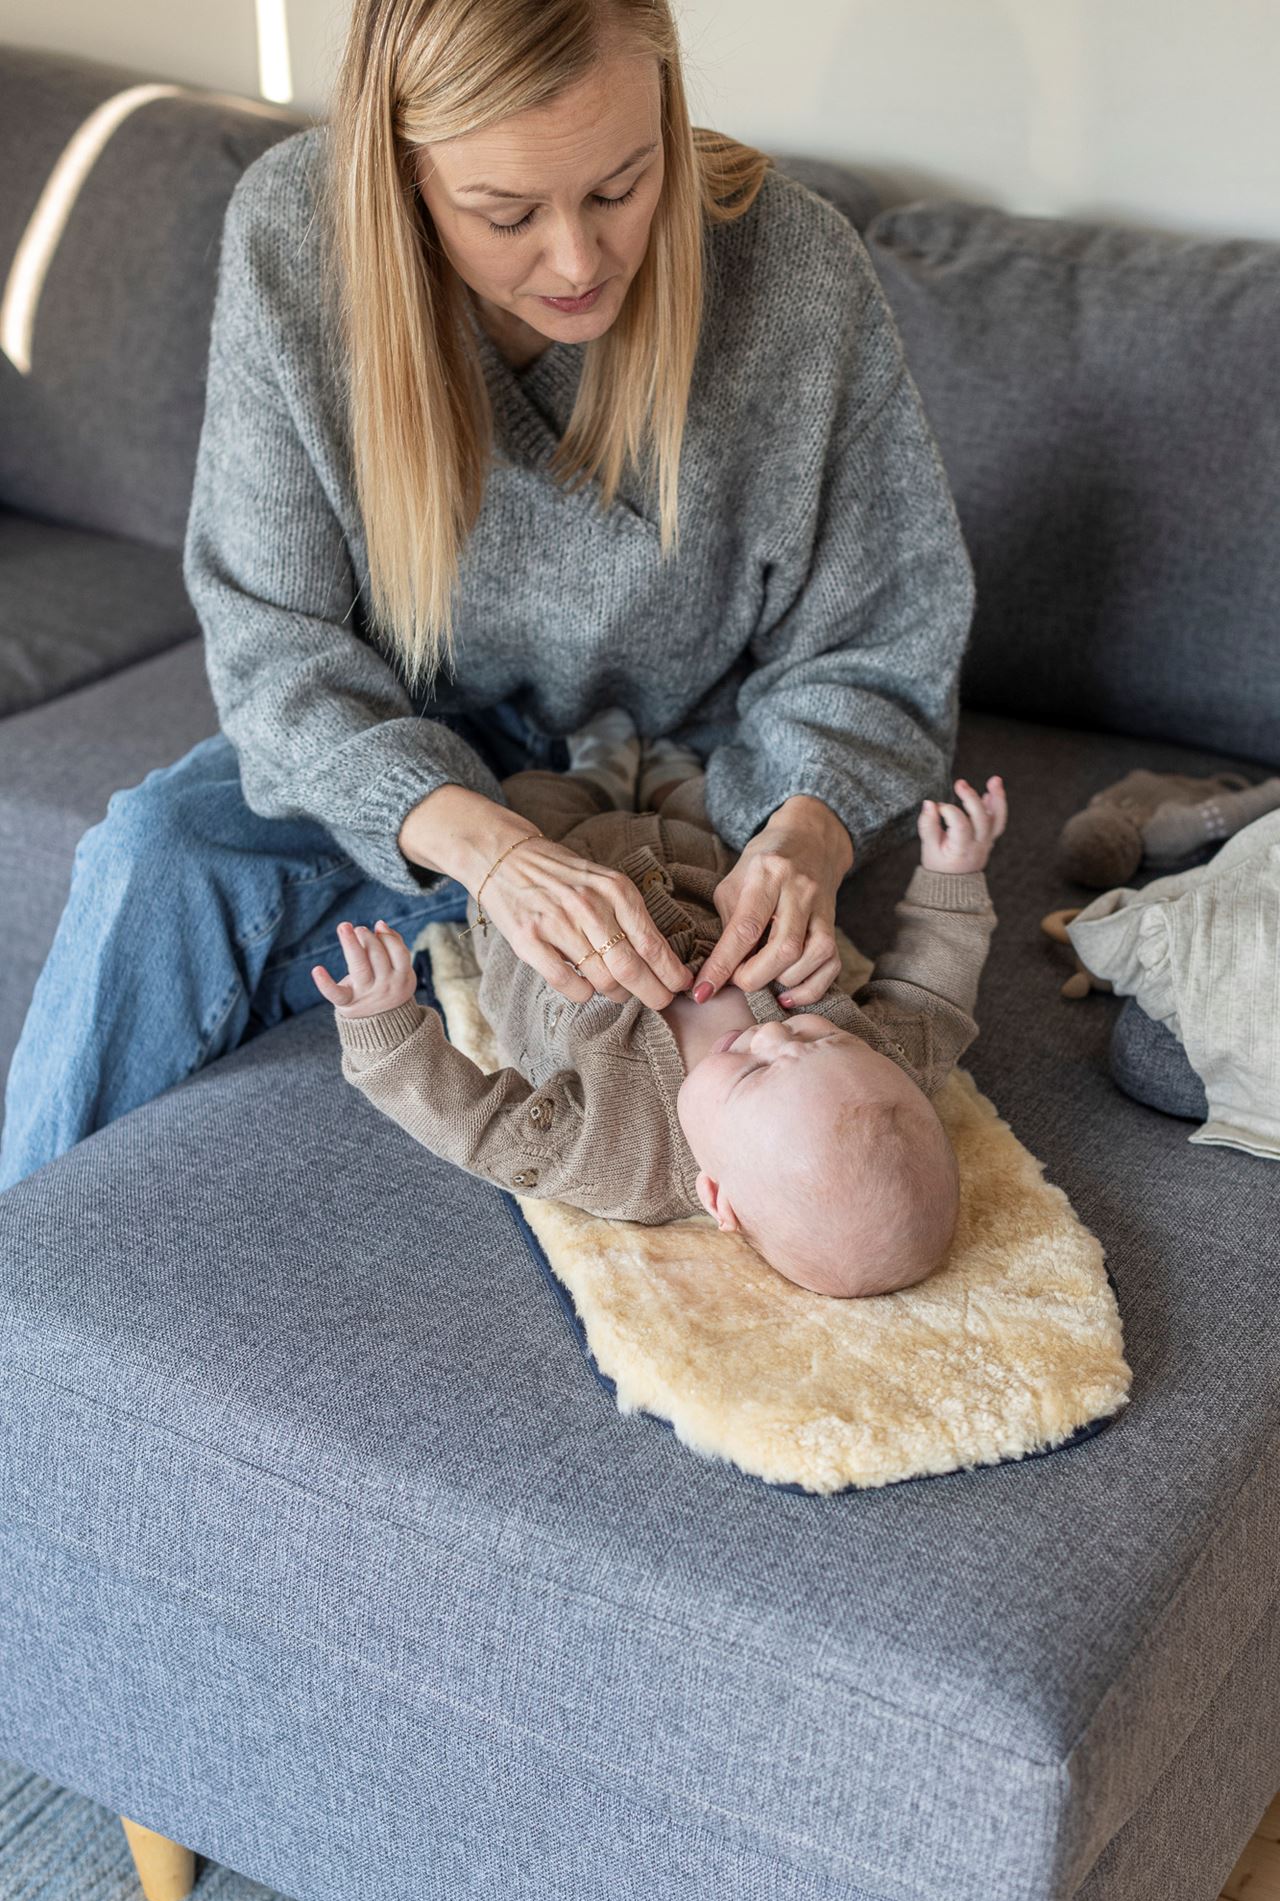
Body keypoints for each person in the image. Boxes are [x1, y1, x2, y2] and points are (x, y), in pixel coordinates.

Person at [0, 0, 975, 1193]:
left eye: (620, 187)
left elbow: (880, 642)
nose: (577, 261)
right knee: (155, 855)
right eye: (506, 214)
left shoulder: (794, 271)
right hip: (423, 766)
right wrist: (493, 854)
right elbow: (273, 643)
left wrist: (806, 835)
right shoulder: (294, 239)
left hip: (689, 797)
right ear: (401, 177)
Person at [315, 707, 1006, 1299]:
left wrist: (385, 1028)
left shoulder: (622, 1161)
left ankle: (598, 768)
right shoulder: (885, 1070)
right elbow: (932, 995)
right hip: (699, 855)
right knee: (720, 799)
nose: (778, 1036)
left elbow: (477, 1130)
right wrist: (954, 874)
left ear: (715, 1197)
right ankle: (667, 764)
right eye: (819, 1038)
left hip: (540, 885)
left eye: (752, 1071)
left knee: (527, 793)